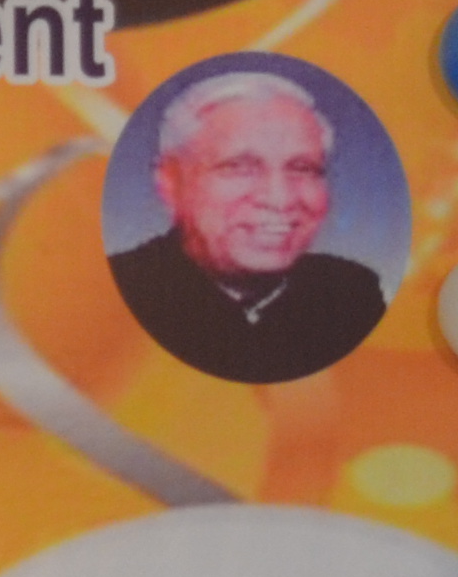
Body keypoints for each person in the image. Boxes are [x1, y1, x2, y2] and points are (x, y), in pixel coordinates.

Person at [107, 66, 387, 384]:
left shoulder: (350, 294)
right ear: (170, 183)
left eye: (303, 168)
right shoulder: (121, 294)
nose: (280, 199)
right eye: (239, 167)